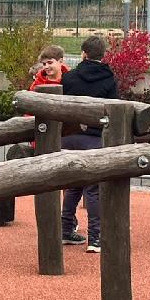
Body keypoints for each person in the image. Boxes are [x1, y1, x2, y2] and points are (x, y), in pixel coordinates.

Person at [56, 34, 120, 253]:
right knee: (93, 189)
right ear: (102, 56)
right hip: (95, 138)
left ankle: (66, 229)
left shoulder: (69, 78)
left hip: (69, 137)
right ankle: (96, 237)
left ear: (83, 53)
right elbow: (115, 109)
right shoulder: (109, 79)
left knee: (73, 184)